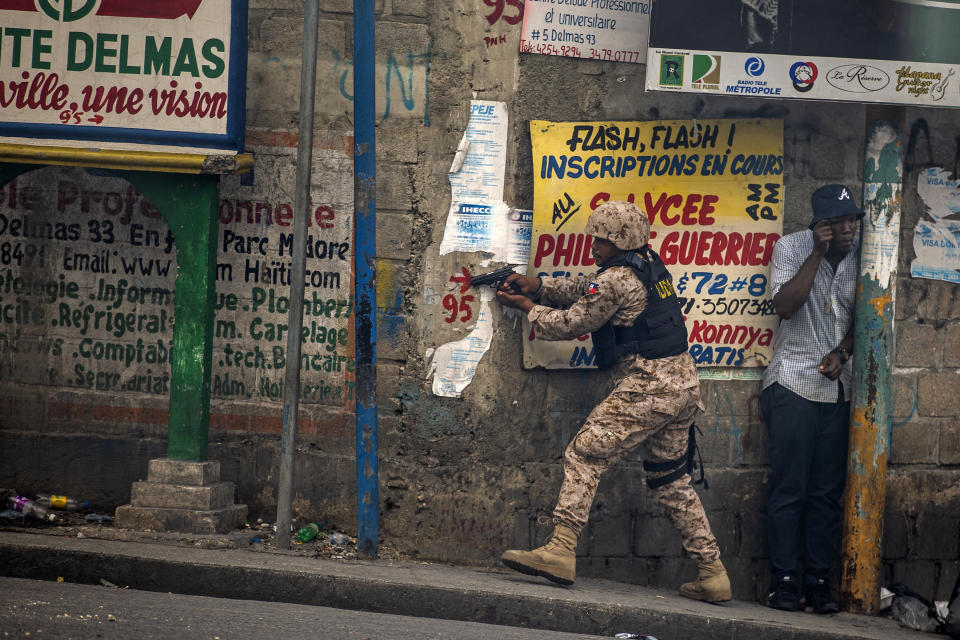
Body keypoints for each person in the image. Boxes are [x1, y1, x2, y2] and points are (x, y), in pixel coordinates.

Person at [494, 201, 731, 603]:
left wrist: (529, 308)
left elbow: (573, 322)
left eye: (601, 242)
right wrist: (539, 285)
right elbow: (588, 288)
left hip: (649, 387)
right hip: (682, 387)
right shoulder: (647, 263)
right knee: (670, 480)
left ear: (620, 242)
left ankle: (560, 550)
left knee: (585, 454)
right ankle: (713, 572)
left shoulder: (617, 279)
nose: (593, 248)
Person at [762, 184, 863, 614]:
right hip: (792, 384)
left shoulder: (864, 257)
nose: (846, 230)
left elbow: (871, 317)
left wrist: (841, 354)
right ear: (818, 225)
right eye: (836, 223)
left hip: (838, 389)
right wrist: (817, 254)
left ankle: (819, 582)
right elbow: (785, 305)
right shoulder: (791, 248)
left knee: (825, 493)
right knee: (789, 489)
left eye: (851, 221)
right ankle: (783, 582)